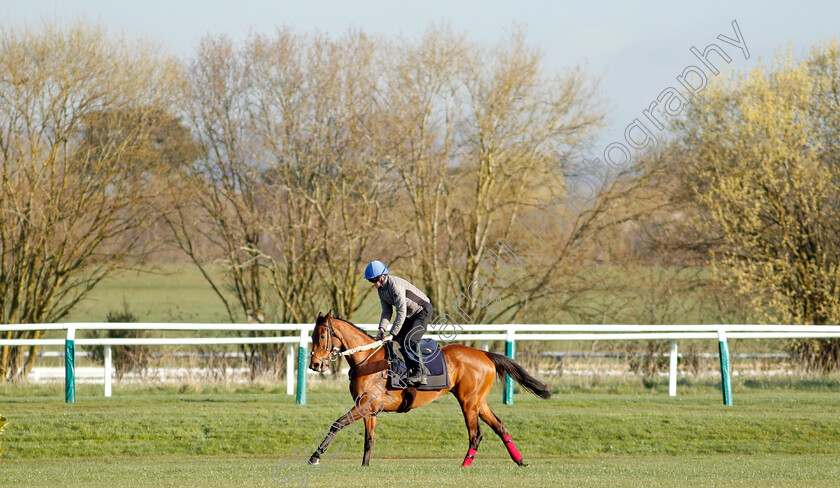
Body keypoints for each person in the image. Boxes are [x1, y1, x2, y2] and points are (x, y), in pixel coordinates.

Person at [364, 260, 432, 385]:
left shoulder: (395, 286)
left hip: (422, 311)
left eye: (374, 280)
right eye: (370, 281)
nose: (372, 283)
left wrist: (393, 333)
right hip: (410, 314)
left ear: (382, 277)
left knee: (410, 341)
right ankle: (409, 369)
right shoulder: (381, 290)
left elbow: (402, 311)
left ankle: (420, 374)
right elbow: (386, 312)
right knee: (397, 342)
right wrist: (381, 330)